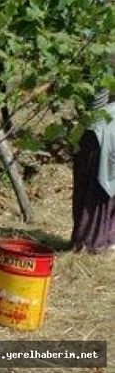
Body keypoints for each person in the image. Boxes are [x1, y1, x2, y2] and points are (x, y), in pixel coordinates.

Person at [70, 52, 115, 253]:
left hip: (101, 130)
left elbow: (95, 105)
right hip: (107, 128)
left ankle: (91, 242)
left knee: (93, 188)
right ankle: (106, 239)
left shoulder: (102, 57)